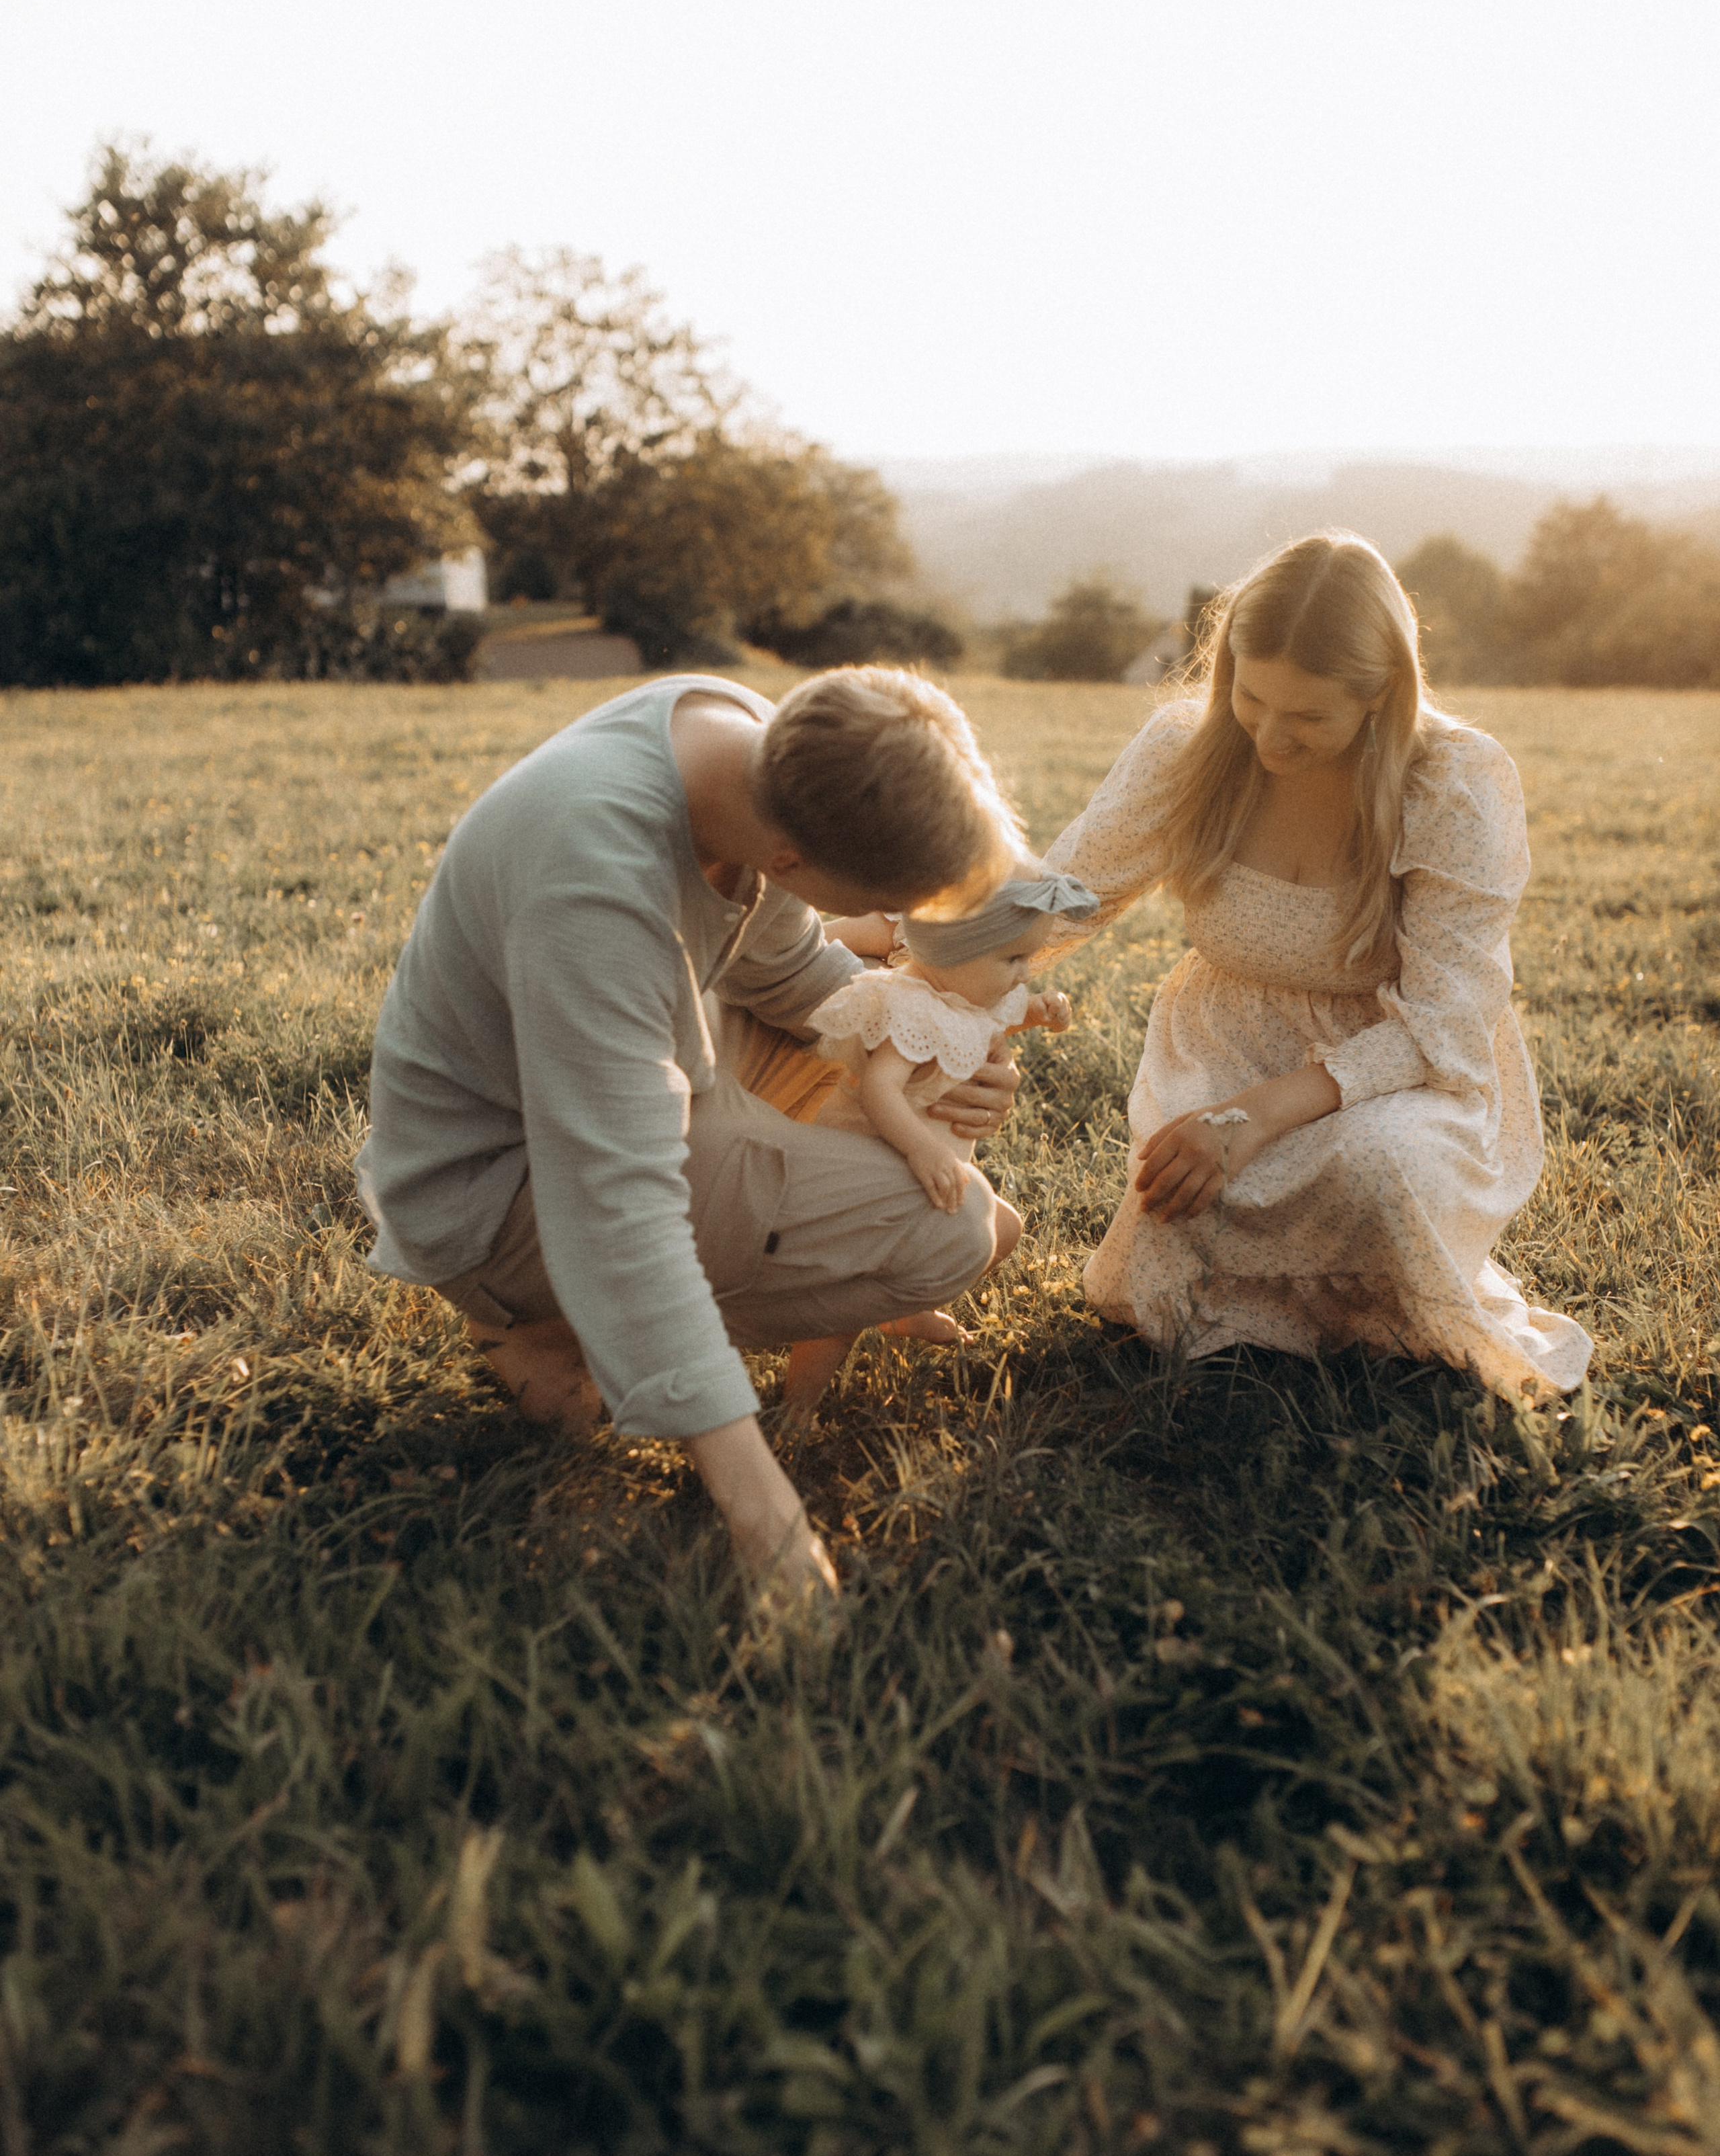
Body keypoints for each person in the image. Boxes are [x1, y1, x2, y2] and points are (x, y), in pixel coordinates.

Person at [355, 665, 1027, 1612]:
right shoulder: (594, 882)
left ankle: (639, 1306)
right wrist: (765, 1517)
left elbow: (791, 970)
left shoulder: (744, 739)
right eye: (890, 909)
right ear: (792, 861)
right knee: (951, 1235)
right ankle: (535, 1317)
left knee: (944, 1161)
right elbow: (617, 1202)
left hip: (658, 1074)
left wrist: (934, 1047)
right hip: (503, 1189)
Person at [1039, 532, 1592, 1395]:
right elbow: (1068, 890)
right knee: (1186, 1191)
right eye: (1252, 696)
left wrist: (1251, 1118)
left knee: (1378, 1165)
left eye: (1309, 716)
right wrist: (914, 936)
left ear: (1380, 697)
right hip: (1228, 1044)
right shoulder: (1191, 744)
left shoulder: (1451, 779)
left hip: (1397, 1068)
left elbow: (1446, 1021)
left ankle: (1380, 1312)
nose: (1271, 734)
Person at [781, 865, 1099, 1412]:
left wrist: (1040, 1012)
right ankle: (796, 1409)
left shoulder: (969, 992)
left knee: (1002, 1228)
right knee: (845, 1308)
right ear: (955, 952)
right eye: (1015, 960)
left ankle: (907, 1306)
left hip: (921, 1176)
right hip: (874, 1174)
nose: (1025, 974)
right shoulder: (914, 1009)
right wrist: (921, 1148)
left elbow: (1000, 1013)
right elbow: (882, 1090)